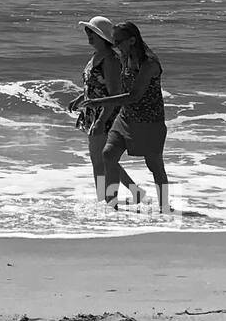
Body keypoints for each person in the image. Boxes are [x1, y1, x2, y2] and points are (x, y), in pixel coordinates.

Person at [84, 21, 170, 211]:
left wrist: (99, 103)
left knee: (154, 164)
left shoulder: (149, 63)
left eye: (119, 42)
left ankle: (164, 207)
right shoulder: (124, 57)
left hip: (150, 120)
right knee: (108, 154)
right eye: (113, 42)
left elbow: (134, 96)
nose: (115, 46)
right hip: (126, 117)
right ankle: (111, 205)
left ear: (132, 40)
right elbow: (121, 86)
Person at [69, 15, 140, 202]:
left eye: (93, 33)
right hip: (93, 111)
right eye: (88, 32)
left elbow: (114, 92)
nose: (89, 36)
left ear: (103, 37)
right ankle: (135, 192)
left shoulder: (109, 59)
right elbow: (96, 87)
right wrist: (80, 98)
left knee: (99, 161)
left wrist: (101, 120)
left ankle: (105, 201)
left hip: (105, 114)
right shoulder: (96, 56)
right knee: (105, 158)